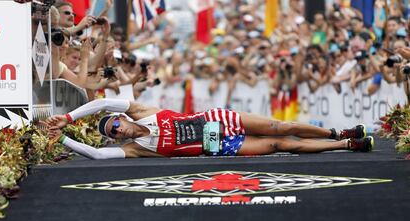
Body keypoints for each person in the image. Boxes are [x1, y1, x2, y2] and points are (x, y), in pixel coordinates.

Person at [46, 99, 374, 160]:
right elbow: (96, 156)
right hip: (219, 147)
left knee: (279, 125)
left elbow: (103, 100)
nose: (118, 131)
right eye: (113, 133)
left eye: (116, 123)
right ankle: (347, 147)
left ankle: (336, 133)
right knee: (279, 145)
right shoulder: (134, 150)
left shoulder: (142, 111)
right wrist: (62, 138)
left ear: (123, 117)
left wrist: (70, 119)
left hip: (218, 120)